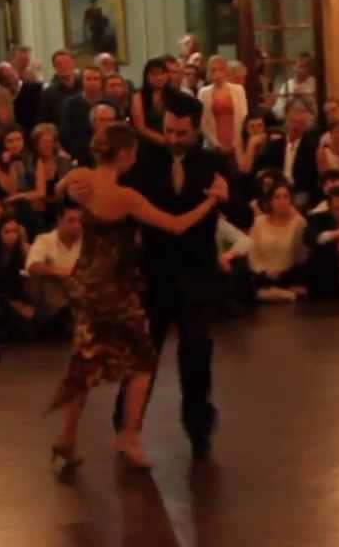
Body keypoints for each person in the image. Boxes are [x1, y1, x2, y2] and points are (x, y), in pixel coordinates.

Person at [50, 122, 227, 472]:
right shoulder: (125, 197)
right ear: (126, 154)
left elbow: (59, 187)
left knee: (84, 362)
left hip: (85, 283)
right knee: (143, 363)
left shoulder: (81, 178)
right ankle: (129, 436)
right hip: (116, 287)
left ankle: (67, 438)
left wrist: (64, 183)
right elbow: (175, 225)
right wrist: (211, 200)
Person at [108, 94, 229, 462]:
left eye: (182, 133)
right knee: (144, 355)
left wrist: (225, 197)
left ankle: (199, 429)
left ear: (196, 128)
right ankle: (126, 428)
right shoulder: (144, 161)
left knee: (195, 352)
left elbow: (240, 207)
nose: (174, 139)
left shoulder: (213, 162)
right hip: (154, 271)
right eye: (168, 131)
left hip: (196, 272)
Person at [24, 204, 83, 335]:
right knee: (45, 275)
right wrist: (62, 273)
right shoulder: (45, 240)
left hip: (81, 291)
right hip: (55, 296)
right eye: (71, 220)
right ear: (59, 221)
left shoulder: (89, 241)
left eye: (80, 221)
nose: (77, 225)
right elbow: (33, 266)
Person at [245, 182, 308, 302]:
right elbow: (252, 253)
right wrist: (262, 272)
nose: (282, 201)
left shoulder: (299, 223)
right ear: (270, 201)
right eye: (277, 197)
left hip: (286, 276)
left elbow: (300, 256)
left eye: (286, 196)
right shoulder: (259, 222)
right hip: (261, 275)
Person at [198, 56, 249, 168]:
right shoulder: (203, 93)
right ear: (209, 72)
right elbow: (202, 122)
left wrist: (235, 143)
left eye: (220, 69)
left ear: (226, 71)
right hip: (214, 144)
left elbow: (244, 116)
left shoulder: (238, 90)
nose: (217, 73)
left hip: (236, 142)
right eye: (213, 70)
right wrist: (216, 145)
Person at [58, 64, 105, 166]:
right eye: (88, 79)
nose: (92, 82)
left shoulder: (109, 103)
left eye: (96, 79)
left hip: (107, 154)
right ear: (82, 81)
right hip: (80, 156)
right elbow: (65, 133)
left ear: (102, 82)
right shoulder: (70, 104)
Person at [131, 57, 171, 148]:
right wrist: (164, 140)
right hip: (147, 144)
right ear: (147, 76)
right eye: (155, 74)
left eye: (162, 73)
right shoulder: (138, 97)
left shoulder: (173, 95)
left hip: (171, 141)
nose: (159, 78)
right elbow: (140, 128)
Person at [37, 50, 81, 126]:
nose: (64, 66)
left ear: (74, 63)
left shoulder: (84, 87)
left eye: (67, 62)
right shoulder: (48, 94)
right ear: (54, 67)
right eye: (59, 64)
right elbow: (44, 122)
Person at [273, 54, 318, 119]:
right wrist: (293, 98)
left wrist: (304, 98)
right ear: (294, 67)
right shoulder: (287, 85)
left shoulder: (315, 83)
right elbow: (278, 112)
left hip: (310, 121)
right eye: (300, 67)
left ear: (310, 69)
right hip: (291, 121)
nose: (303, 70)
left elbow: (318, 111)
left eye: (306, 67)